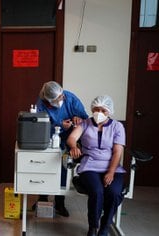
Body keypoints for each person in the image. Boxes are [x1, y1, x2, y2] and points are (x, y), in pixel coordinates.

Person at [67, 95, 125, 236]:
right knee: (97, 191)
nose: (99, 113)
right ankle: (93, 227)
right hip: (90, 166)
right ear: (92, 109)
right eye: (96, 109)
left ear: (109, 111)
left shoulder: (117, 127)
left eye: (103, 110)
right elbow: (72, 138)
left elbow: (118, 151)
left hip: (112, 167)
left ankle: (105, 226)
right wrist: (74, 146)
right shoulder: (85, 123)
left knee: (114, 193)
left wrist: (111, 172)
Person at [36, 81, 88, 217]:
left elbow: (85, 119)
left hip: (69, 139)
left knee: (63, 168)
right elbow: (39, 124)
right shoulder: (41, 103)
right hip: (48, 138)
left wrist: (78, 119)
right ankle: (42, 199)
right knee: (45, 166)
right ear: (49, 100)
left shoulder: (70, 98)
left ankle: (60, 202)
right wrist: (59, 125)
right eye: (58, 99)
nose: (62, 99)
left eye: (62, 96)